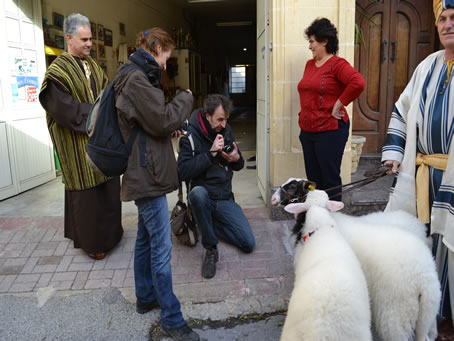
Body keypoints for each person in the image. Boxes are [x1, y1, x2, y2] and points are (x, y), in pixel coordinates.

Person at [114, 27, 199, 341]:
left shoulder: (132, 74)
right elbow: (161, 119)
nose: (166, 64)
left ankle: (145, 297)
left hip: (142, 166)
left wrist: (166, 127)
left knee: (145, 240)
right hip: (144, 172)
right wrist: (184, 100)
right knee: (161, 249)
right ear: (158, 47)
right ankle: (172, 319)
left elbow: (150, 123)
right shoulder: (137, 79)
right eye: (166, 56)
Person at [382, 1, 454, 339]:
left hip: (451, 177)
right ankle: (427, 313)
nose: (446, 24)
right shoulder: (427, 65)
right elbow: (401, 109)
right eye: (442, 18)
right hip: (422, 175)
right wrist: (395, 152)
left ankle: (447, 320)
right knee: (421, 241)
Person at [39, 13, 122, 260]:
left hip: (100, 142)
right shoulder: (56, 73)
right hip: (77, 146)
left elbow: (108, 95)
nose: (89, 44)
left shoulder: (93, 66)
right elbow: (67, 111)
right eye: (84, 39)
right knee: (87, 196)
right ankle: (94, 243)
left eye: (90, 40)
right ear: (69, 38)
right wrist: (100, 116)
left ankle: (112, 235)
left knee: (107, 188)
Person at [177, 94, 256, 279]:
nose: (224, 124)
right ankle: (211, 249)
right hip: (203, 196)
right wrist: (211, 153)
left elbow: (238, 164)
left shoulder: (225, 130)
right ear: (207, 116)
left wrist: (237, 159)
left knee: (248, 243)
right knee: (197, 194)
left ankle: (206, 223)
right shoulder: (189, 137)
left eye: (226, 119)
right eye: (220, 119)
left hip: (224, 197)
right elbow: (183, 172)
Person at [297, 18, 365, 200]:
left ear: (324, 41)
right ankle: (316, 216)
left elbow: (357, 82)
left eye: (312, 41)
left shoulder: (337, 64)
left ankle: (333, 220)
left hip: (330, 132)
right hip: (308, 132)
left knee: (329, 179)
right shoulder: (309, 65)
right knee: (313, 180)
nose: (310, 46)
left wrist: (339, 103)